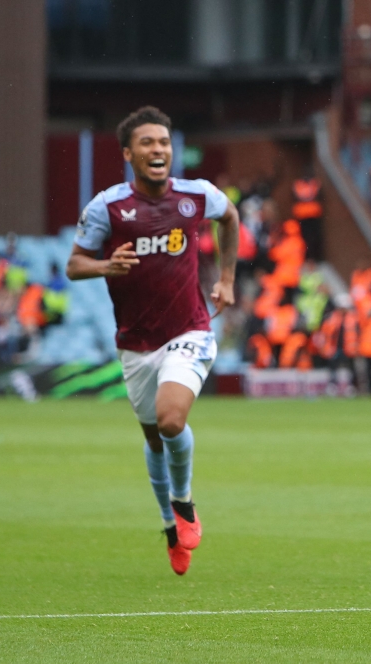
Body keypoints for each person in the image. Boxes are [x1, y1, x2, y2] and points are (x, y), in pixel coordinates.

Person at [65, 106, 240, 576]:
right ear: (128, 154)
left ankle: (183, 503)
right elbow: (74, 264)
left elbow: (231, 217)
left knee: (169, 421)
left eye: (163, 142)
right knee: (152, 436)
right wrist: (106, 266)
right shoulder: (108, 207)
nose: (158, 149)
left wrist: (226, 278)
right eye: (147, 143)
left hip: (189, 330)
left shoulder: (196, 195)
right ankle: (169, 526)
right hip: (135, 344)